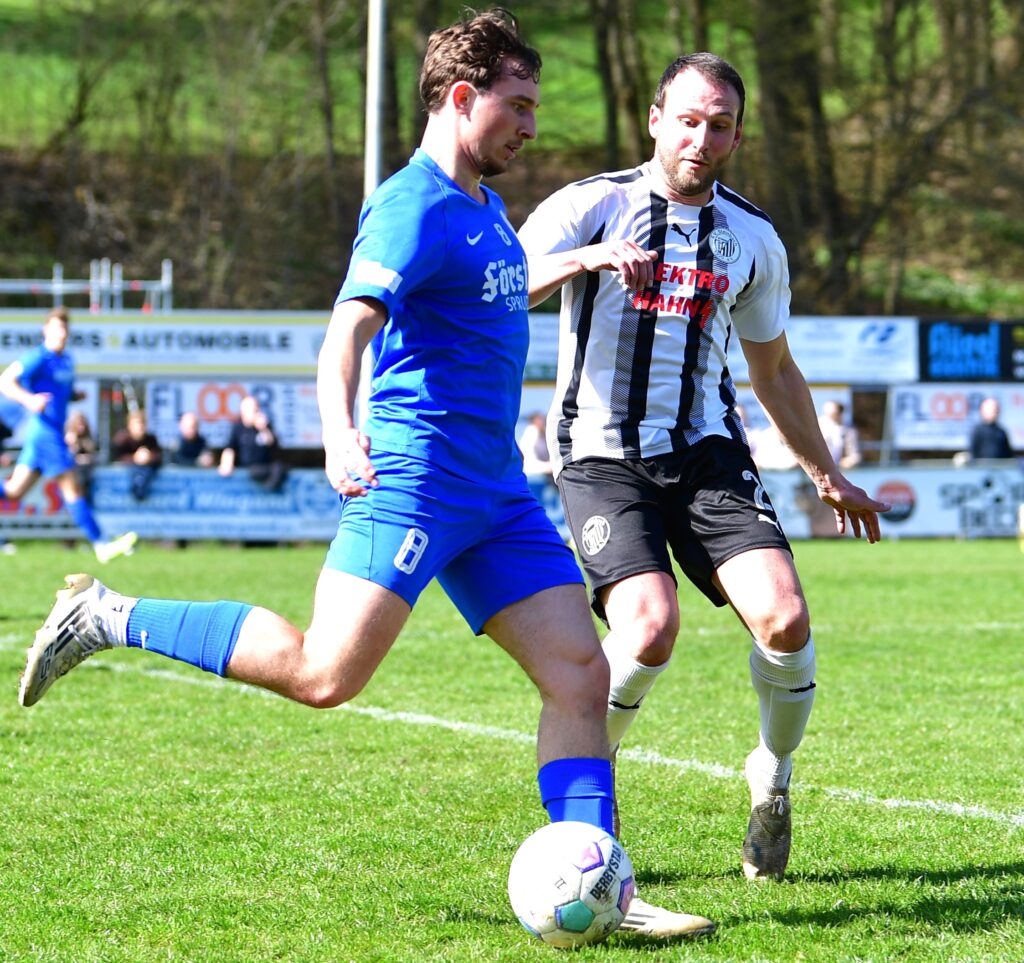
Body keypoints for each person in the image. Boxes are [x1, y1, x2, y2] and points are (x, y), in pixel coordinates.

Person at [17, 11, 712, 941]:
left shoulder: (482, 206)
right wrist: (341, 432)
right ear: (460, 98)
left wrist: (579, 258)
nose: (530, 125)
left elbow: (492, 294)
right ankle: (107, 613)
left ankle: (603, 883)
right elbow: (346, 331)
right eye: (517, 105)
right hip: (415, 480)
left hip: (496, 493)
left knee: (582, 673)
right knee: (324, 672)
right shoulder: (410, 205)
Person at [519, 51, 890, 883]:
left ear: (737, 136)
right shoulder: (591, 204)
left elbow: (774, 370)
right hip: (601, 452)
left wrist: (827, 473)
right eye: (687, 120)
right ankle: (590, 790)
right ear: (656, 120)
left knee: (786, 621)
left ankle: (772, 778)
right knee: (649, 627)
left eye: (719, 125)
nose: (701, 137)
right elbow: (504, 283)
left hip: (707, 452)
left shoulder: (751, 238)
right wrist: (584, 259)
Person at [0, 307, 136, 562]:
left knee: (14, 491)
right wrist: (29, 399)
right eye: (56, 328)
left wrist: (74, 395)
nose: (61, 333)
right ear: (46, 330)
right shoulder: (38, 357)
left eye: (64, 328)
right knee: (72, 486)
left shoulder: (67, 360)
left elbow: (60, 391)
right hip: (45, 433)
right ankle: (101, 543)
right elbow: (5, 381)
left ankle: (100, 543)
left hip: (46, 434)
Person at [218, 395, 289, 493]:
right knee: (255, 471)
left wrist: (263, 429)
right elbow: (230, 448)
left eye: (256, 409)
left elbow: (274, 446)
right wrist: (226, 463)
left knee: (279, 467)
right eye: (251, 410)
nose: (254, 412)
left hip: (266, 467)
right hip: (249, 469)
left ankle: (268, 491)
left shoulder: (265, 426)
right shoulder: (238, 428)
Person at [518, 411, 570, 543]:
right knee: (545, 508)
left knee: (551, 507)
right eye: (540, 420)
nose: (543, 422)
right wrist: (549, 466)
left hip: (544, 477)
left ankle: (557, 534)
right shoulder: (531, 432)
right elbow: (529, 461)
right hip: (535, 478)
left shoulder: (544, 434)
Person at [111, 409, 163, 501]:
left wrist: (149, 457)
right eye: (137, 424)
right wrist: (134, 458)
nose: (140, 427)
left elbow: (159, 456)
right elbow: (115, 457)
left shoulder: (151, 440)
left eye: (142, 423)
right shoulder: (122, 440)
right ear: (129, 425)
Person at [818, 400, 862, 469]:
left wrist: (848, 461)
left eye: (834, 414)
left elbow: (855, 454)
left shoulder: (849, 431)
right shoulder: (819, 426)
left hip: (838, 469)